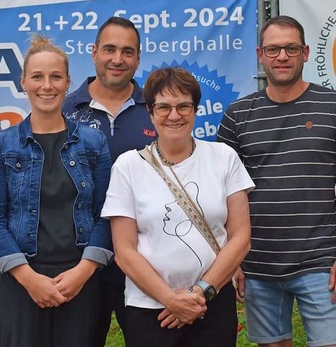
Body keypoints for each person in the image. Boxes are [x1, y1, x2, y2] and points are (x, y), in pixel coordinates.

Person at [217, 15, 336, 347]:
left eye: (290, 48)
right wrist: (232, 258)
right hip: (257, 264)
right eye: (273, 49)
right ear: (260, 54)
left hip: (321, 263)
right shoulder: (237, 114)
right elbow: (224, 192)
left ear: (305, 52)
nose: (282, 56)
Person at [101, 67, 254, 347]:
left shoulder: (224, 158)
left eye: (184, 106)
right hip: (150, 308)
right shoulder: (128, 166)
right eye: (164, 107)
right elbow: (124, 251)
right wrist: (170, 299)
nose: (174, 115)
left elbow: (241, 237)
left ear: (195, 110)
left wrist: (200, 293)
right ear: (150, 111)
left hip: (213, 302)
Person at [0, 36, 112, 346]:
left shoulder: (94, 143)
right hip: (21, 280)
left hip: (82, 280)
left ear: (68, 82)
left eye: (55, 76)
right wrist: (28, 278)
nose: (46, 85)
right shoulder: (2, 144)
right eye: (37, 76)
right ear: (23, 81)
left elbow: (107, 213)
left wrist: (83, 271)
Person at [63, 16, 157, 345]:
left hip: (146, 256)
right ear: (93, 52)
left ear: (139, 57)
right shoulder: (64, 110)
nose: (118, 59)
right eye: (109, 49)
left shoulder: (158, 109)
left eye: (127, 52)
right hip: (80, 258)